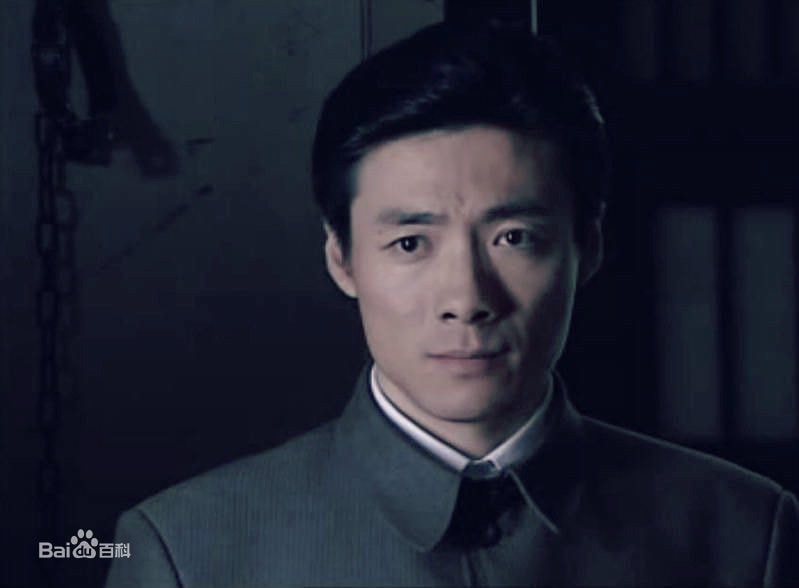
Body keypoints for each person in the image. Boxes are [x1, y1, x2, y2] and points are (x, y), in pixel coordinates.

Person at [105, 22, 798, 587]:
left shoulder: (741, 532)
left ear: (587, 248)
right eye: (410, 243)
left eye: (514, 238)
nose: (466, 300)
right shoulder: (186, 552)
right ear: (341, 259)